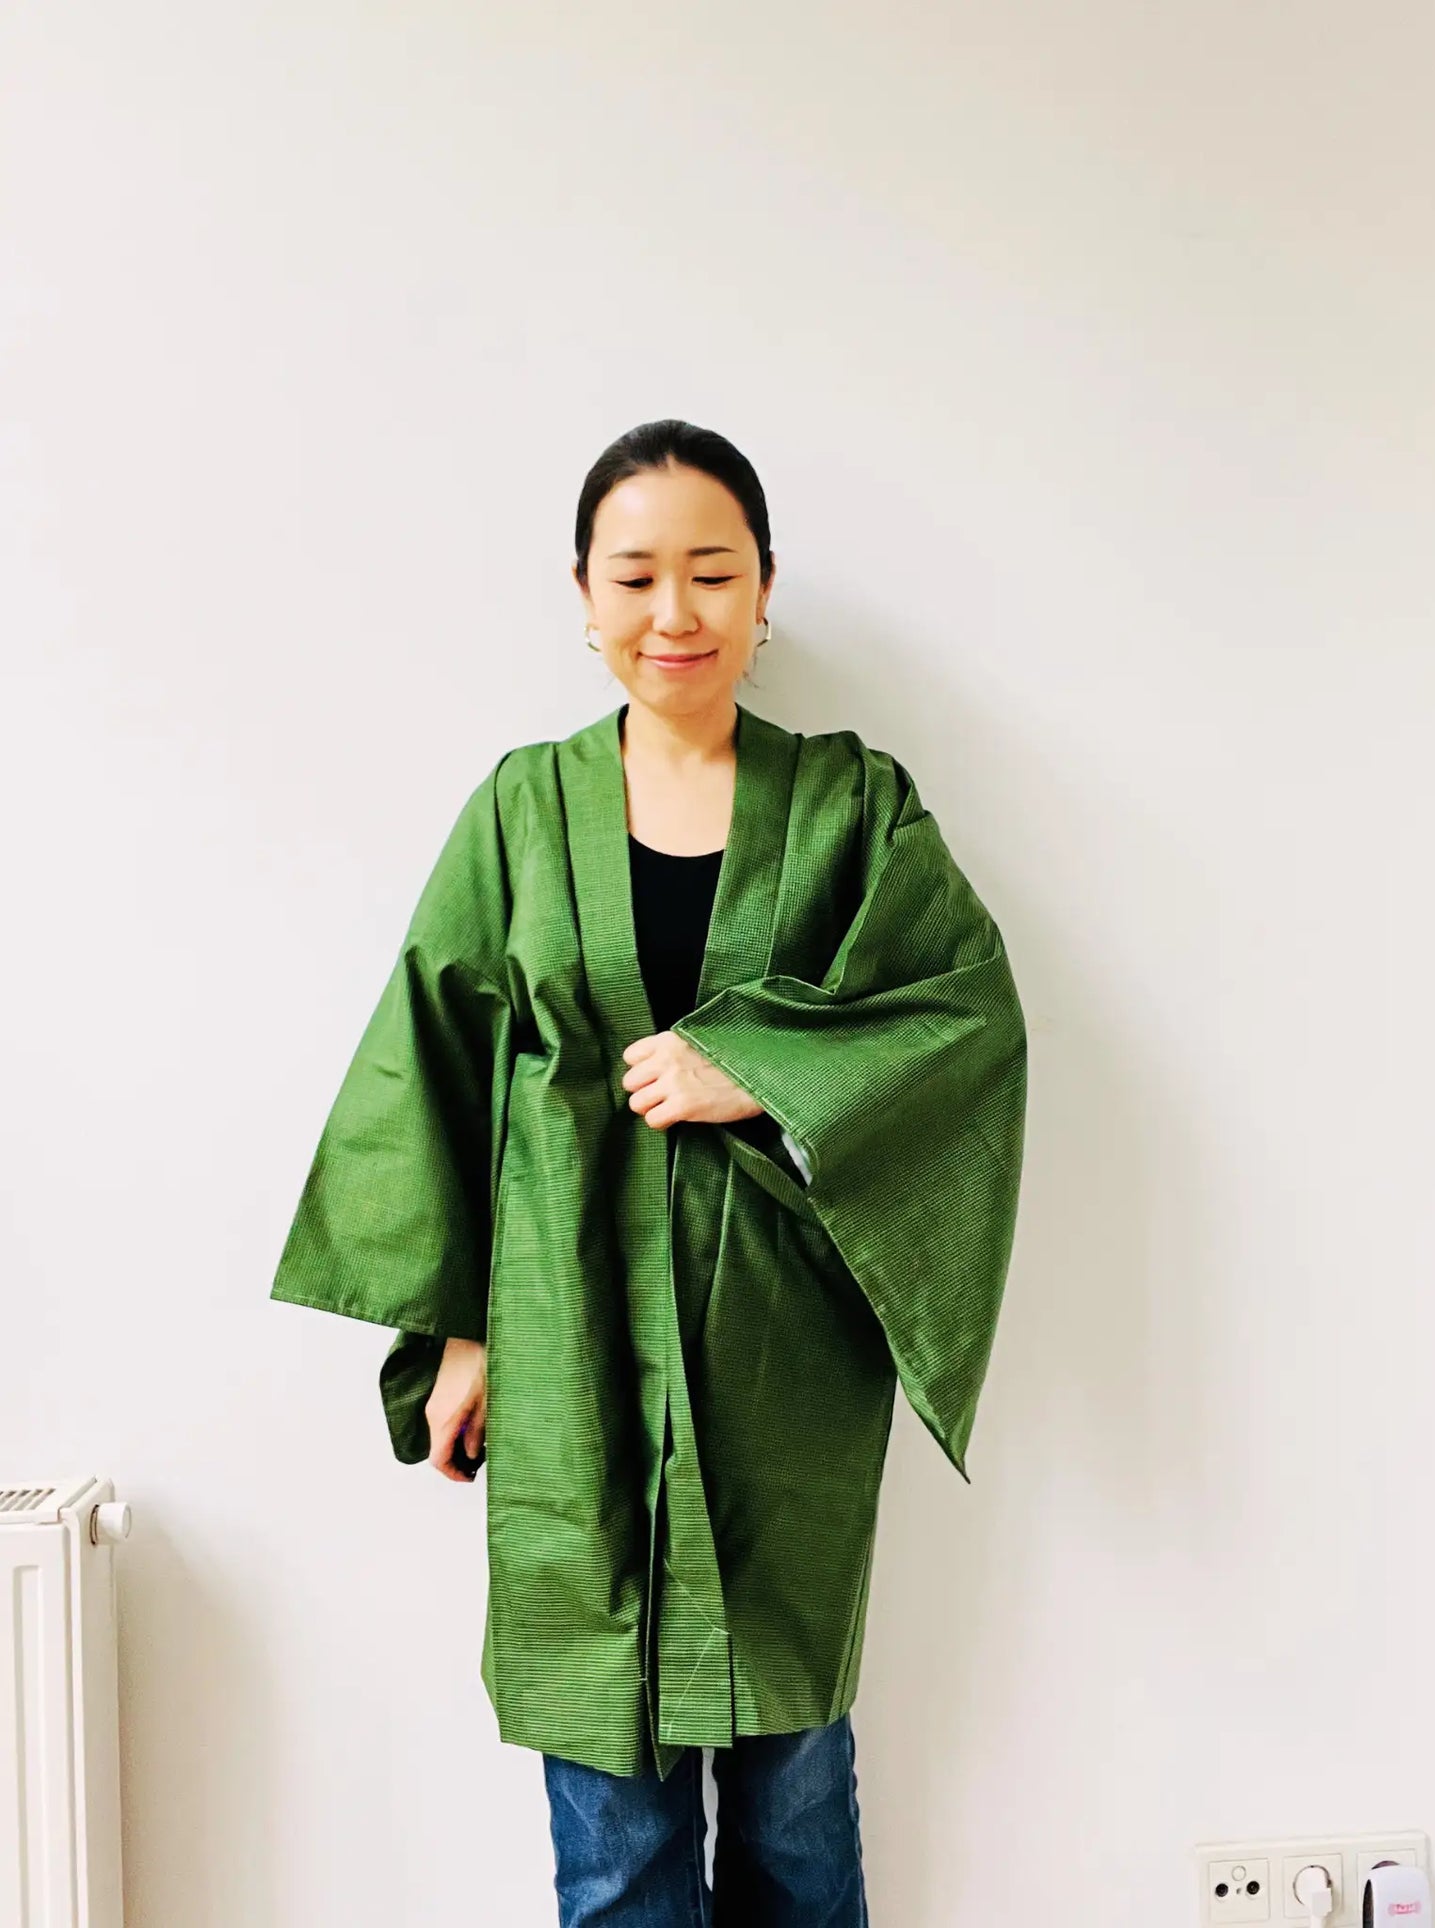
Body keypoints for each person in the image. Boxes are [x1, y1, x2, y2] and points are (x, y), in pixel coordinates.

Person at [270, 418, 1028, 1926]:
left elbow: (959, 1015)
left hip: (778, 1351)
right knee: (611, 1822)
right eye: (634, 577)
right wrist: (466, 1329)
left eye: (711, 572)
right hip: (570, 1333)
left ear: (764, 591)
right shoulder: (519, 811)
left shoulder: (851, 805)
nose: (673, 611)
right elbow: (435, 1056)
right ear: (583, 596)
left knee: (796, 1806)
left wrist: (760, 1069)